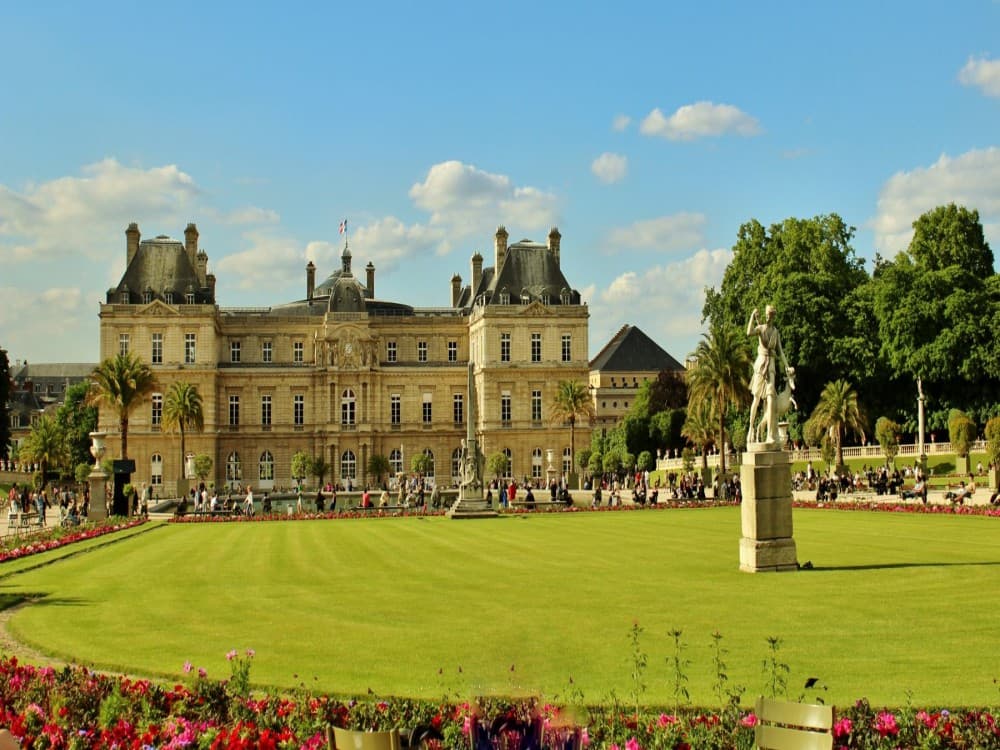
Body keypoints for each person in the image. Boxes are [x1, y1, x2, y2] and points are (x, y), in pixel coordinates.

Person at [746, 305, 791, 445]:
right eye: (766, 314)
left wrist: (787, 366)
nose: (767, 316)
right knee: (757, 399)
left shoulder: (775, 332)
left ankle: (771, 435)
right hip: (761, 365)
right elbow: (748, 332)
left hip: (771, 365)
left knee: (771, 397)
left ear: (773, 316)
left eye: (769, 315)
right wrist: (752, 316)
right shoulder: (761, 328)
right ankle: (750, 428)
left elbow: (780, 351)